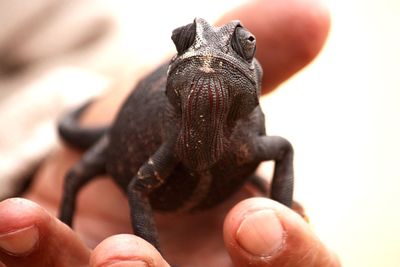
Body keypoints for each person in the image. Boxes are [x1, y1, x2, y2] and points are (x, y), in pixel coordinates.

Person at [0, 0, 340, 266]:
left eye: (244, 44)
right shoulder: (172, 134)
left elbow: (282, 150)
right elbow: (138, 188)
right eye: (185, 42)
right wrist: (154, 253)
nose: (208, 57)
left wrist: (279, 210)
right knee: (76, 175)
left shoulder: (247, 137)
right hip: (124, 138)